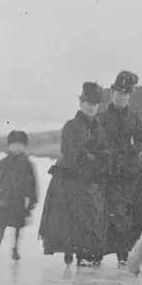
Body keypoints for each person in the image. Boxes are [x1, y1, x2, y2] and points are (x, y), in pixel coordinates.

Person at [39, 82, 112, 266]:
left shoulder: (99, 127)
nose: (92, 107)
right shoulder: (70, 125)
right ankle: (70, 250)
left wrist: (99, 158)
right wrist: (83, 156)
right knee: (71, 215)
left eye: (95, 104)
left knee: (90, 214)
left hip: (91, 177)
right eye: (88, 103)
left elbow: (105, 149)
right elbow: (66, 148)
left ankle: (85, 252)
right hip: (71, 176)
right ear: (81, 103)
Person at [100, 71, 142, 267]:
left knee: (127, 211)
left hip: (129, 171)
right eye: (119, 94)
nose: (122, 98)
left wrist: (132, 151)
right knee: (111, 211)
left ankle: (123, 252)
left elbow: (141, 141)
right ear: (112, 94)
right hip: (109, 170)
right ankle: (102, 250)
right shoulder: (102, 117)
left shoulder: (134, 117)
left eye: (126, 95)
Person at [0, 130, 38, 261]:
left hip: (19, 201)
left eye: (20, 144)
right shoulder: (3, 163)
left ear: (25, 146)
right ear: (9, 145)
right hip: (4, 200)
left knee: (18, 227)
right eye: (14, 143)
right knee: (1, 227)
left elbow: (33, 184)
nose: (17, 146)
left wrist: (33, 201)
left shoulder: (28, 164)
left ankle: (15, 249)